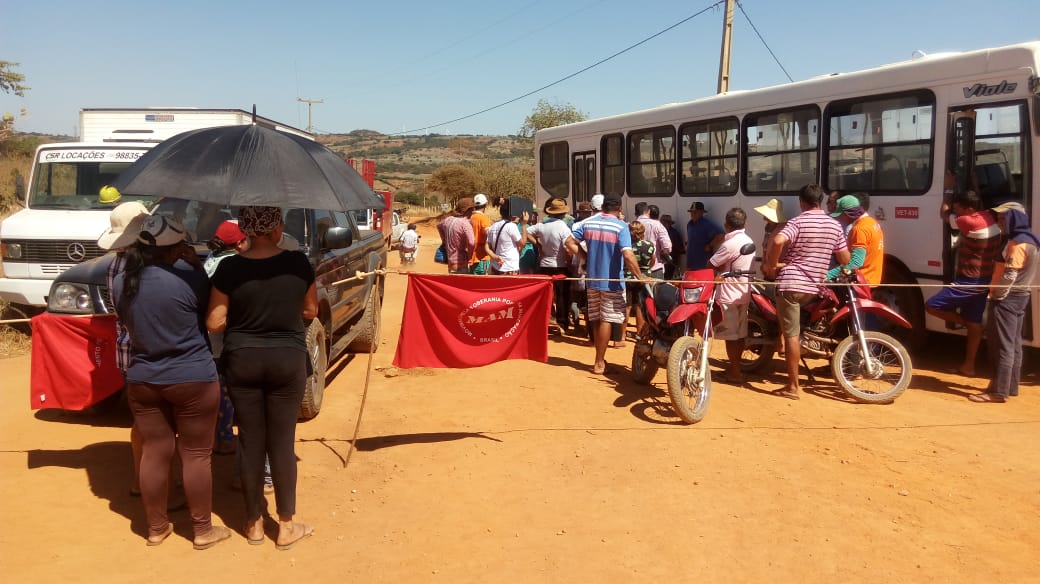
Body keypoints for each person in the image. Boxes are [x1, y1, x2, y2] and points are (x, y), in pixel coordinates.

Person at [112, 214, 230, 549]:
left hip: (144, 379)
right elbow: (210, 318)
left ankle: (156, 527)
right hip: (193, 377)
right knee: (195, 455)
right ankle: (203, 530)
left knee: (155, 452)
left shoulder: (123, 281)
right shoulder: (191, 279)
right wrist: (193, 266)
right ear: (176, 247)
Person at [207, 205, 317, 550]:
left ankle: (253, 523)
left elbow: (214, 322)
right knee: (282, 443)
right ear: (277, 227)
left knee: (251, 441)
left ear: (246, 230)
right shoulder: (298, 263)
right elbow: (310, 311)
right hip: (287, 359)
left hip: (243, 360)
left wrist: (243, 311)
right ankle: (285, 526)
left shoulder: (229, 267)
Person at [762, 184, 851, 400]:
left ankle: (793, 386)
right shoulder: (834, 225)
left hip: (791, 283)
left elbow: (778, 240)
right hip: (814, 287)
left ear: (802, 201)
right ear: (820, 200)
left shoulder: (798, 221)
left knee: (792, 335)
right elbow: (845, 258)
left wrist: (772, 265)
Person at [566, 194, 646, 375]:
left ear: (602, 207)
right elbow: (627, 254)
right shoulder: (621, 227)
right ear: (619, 209)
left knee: (597, 317)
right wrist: (639, 276)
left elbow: (569, 243)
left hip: (592, 280)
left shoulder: (589, 223)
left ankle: (599, 359)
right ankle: (599, 363)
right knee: (606, 319)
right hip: (612, 282)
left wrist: (586, 257)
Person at [927, 190, 1002, 376]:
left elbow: (943, 214)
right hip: (984, 278)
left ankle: (968, 324)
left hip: (969, 280)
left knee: (932, 306)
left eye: (959, 208)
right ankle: (968, 366)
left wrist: (947, 191)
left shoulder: (967, 221)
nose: (956, 211)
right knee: (974, 321)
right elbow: (979, 203)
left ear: (969, 209)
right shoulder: (988, 216)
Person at [971, 205, 1039, 403]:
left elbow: (1010, 275)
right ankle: (1010, 387)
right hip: (1021, 297)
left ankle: (998, 392)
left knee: (1002, 346)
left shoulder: (1017, 244)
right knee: (1014, 345)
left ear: (1014, 219)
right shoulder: (1031, 241)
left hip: (1007, 300)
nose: (1000, 223)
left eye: (1003, 219)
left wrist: (997, 296)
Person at [708, 208, 755, 384]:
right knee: (740, 334)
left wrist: (721, 269)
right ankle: (735, 368)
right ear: (745, 224)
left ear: (726, 225)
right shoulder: (748, 240)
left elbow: (711, 264)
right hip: (743, 292)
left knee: (730, 336)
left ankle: (734, 372)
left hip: (728, 294)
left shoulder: (730, 244)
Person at [526, 198, 574, 331]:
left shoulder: (542, 225)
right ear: (563, 213)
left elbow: (528, 231)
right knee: (562, 296)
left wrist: (538, 244)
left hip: (544, 264)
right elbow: (568, 247)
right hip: (560, 265)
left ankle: (544, 320)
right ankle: (562, 323)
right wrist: (569, 261)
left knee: (546, 295)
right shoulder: (563, 227)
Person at [825, 194, 884, 286]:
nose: (839, 218)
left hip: (861, 283)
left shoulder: (859, 229)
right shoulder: (872, 223)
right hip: (872, 280)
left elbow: (856, 263)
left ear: (847, 214)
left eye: (840, 215)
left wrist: (828, 275)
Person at [625, 220, 655, 340]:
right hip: (644, 277)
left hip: (627, 277)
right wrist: (645, 270)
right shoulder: (649, 245)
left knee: (626, 306)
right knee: (640, 306)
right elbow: (653, 260)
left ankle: (621, 337)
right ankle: (640, 334)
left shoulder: (627, 246)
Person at [486, 199, 527, 275]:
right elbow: (523, 244)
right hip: (510, 268)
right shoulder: (511, 226)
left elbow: (487, 247)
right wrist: (524, 224)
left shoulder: (493, 226)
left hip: (496, 267)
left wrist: (494, 256)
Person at [437, 198, 476, 274]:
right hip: (461, 264)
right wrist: (470, 256)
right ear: (469, 210)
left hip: (450, 262)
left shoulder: (448, 220)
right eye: (473, 209)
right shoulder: (464, 223)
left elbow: (439, 226)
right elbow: (471, 242)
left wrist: (444, 240)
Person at [635, 202, 672, 279]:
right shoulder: (657, 225)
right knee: (656, 290)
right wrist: (663, 255)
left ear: (635, 213)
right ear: (648, 211)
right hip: (655, 268)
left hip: (636, 269)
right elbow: (667, 247)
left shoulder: (631, 225)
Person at [752, 198, 787, 275]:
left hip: (776, 272)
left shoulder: (783, 230)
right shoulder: (768, 227)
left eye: (766, 216)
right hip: (768, 270)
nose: (764, 218)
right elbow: (765, 248)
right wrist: (763, 263)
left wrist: (774, 266)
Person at [686, 201, 725, 270]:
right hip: (691, 261)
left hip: (702, 261)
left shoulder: (706, 224)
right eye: (691, 212)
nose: (693, 214)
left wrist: (710, 245)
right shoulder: (690, 224)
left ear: (701, 213)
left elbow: (721, 234)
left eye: (695, 212)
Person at [469, 193, 492, 274]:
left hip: (472, 257)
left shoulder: (471, 217)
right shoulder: (484, 218)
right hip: (483, 258)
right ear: (485, 204)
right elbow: (488, 234)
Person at [660, 214, 684, 279]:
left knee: (667, 278)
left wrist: (673, 245)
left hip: (670, 261)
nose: (663, 224)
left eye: (665, 222)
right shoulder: (660, 232)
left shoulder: (674, 233)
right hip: (662, 261)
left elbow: (681, 249)